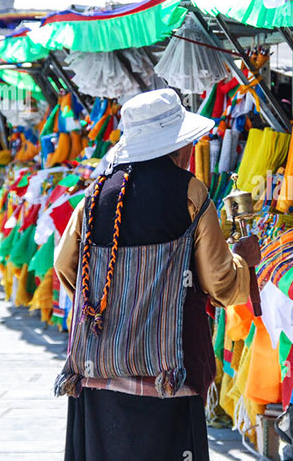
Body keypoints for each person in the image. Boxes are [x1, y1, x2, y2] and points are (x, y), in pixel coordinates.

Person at [53, 89, 261, 461]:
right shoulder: (190, 191)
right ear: (178, 148)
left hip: (99, 371)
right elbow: (222, 283)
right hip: (169, 375)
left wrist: (111, 302)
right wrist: (242, 260)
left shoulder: (96, 193)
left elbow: (66, 266)